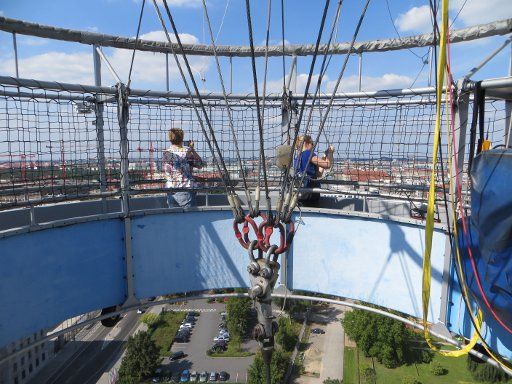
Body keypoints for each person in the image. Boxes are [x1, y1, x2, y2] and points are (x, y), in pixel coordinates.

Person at [163, 128, 203, 208]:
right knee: (189, 217)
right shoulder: (187, 151)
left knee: (174, 217)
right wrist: (192, 150)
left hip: (171, 190)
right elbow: (200, 164)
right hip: (185, 189)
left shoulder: (166, 153)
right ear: (182, 138)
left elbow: (175, 169)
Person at [294, 135, 334, 206]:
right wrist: (330, 153)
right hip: (311, 195)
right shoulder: (308, 154)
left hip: (301, 195)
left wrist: (324, 157)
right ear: (307, 143)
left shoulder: (298, 157)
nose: (313, 146)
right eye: (312, 144)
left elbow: (318, 174)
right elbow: (328, 165)